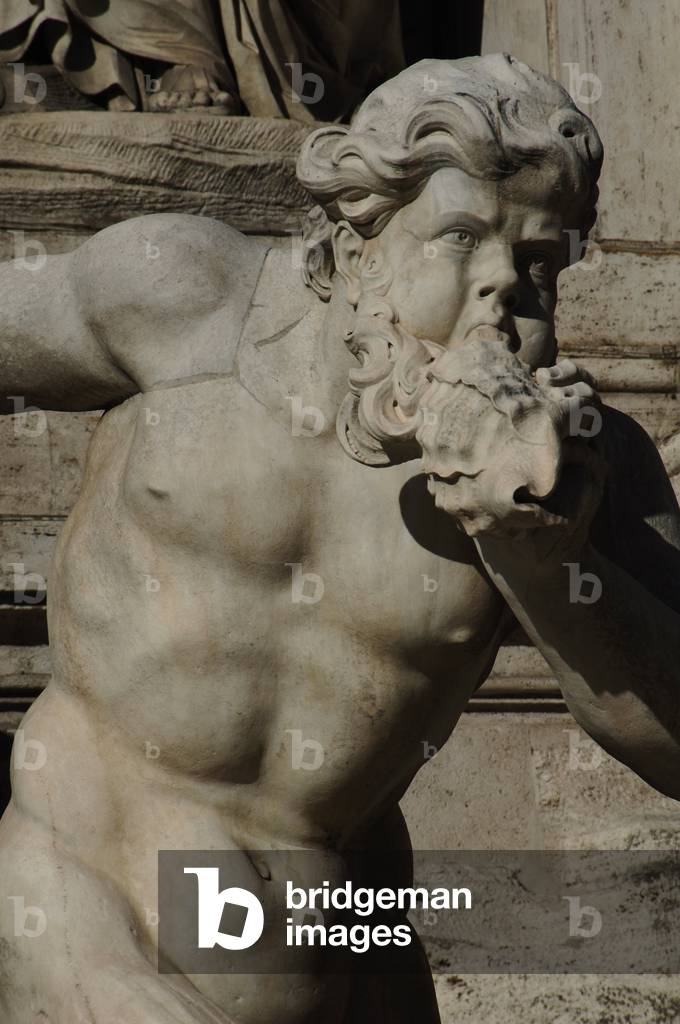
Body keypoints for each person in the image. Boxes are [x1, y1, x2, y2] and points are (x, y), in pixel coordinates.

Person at [2, 54, 680, 1023]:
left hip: (347, 959)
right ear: (361, 236)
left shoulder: (579, 463)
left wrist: (541, 560)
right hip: (82, 906)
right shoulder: (183, 302)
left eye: (537, 263)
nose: (501, 290)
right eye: (460, 239)